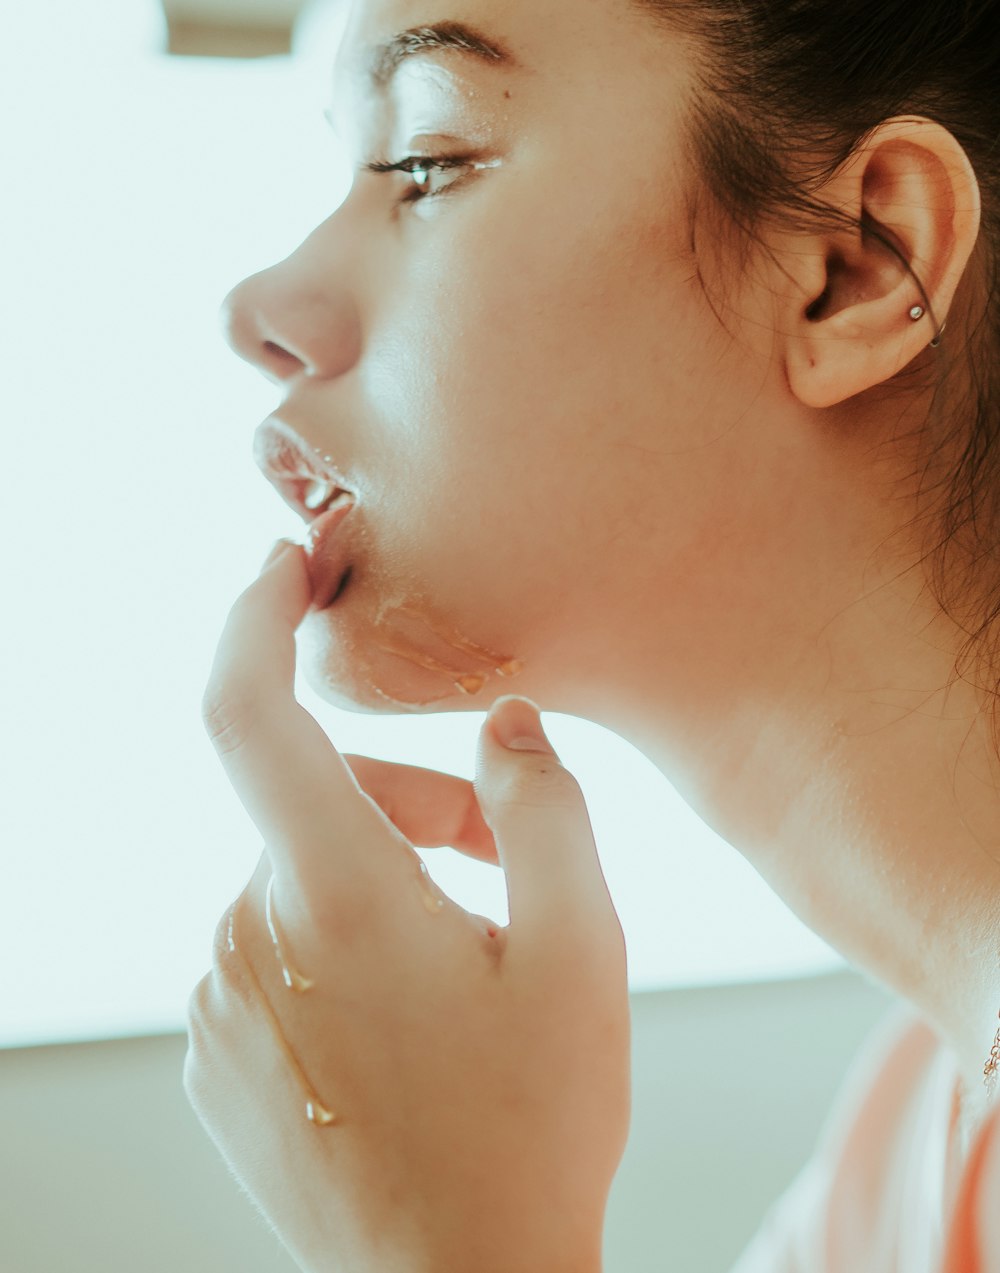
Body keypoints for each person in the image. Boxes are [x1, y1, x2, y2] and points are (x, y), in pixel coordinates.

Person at [182, 0, 1000, 1268]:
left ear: (856, 263)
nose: (260, 306)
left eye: (427, 162)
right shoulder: (903, 1147)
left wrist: (449, 1245)